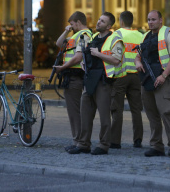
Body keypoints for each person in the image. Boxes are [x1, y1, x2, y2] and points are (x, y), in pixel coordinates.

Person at [68, 12, 124, 155]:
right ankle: (83, 144)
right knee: (85, 113)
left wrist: (98, 54)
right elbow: (86, 54)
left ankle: (103, 145)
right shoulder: (92, 37)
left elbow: (116, 60)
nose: (98, 22)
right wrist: (83, 62)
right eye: (99, 19)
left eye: (103, 21)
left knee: (104, 116)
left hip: (104, 81)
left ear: (109, 26)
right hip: (89, 79)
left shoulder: (115, 39)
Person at [134, 10, 170, 157]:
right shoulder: (146, 36)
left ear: (161, 20)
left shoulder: (169, 33)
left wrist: (164, 75)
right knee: (151, 114)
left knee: (166, 113)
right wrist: (137, 62)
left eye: (153, 19)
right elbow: (138, 55)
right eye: (148, 19)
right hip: (147, 79)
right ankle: (156, 146)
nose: (150, 22)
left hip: (162, 78)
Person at [53, 11, 93, 152]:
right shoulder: (76, 35)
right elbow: (59, 44)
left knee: (75, 112)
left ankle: (79, 142)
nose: (71, 27)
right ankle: (78, 141)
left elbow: (78, 57)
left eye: (72, 24)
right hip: (72, 76)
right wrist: (66, 31)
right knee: (74, 111)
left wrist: (62, 67)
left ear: (78, 22)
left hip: (76, 76)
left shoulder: (84, 35)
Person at [110, 11, 144, 149]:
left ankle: (115, 141)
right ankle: (137, 140)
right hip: (136, 75)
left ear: (121, 22)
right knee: (136, 109)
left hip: (121, 75)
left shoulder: (117, 35)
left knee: (117, 109)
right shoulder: (141, 36)